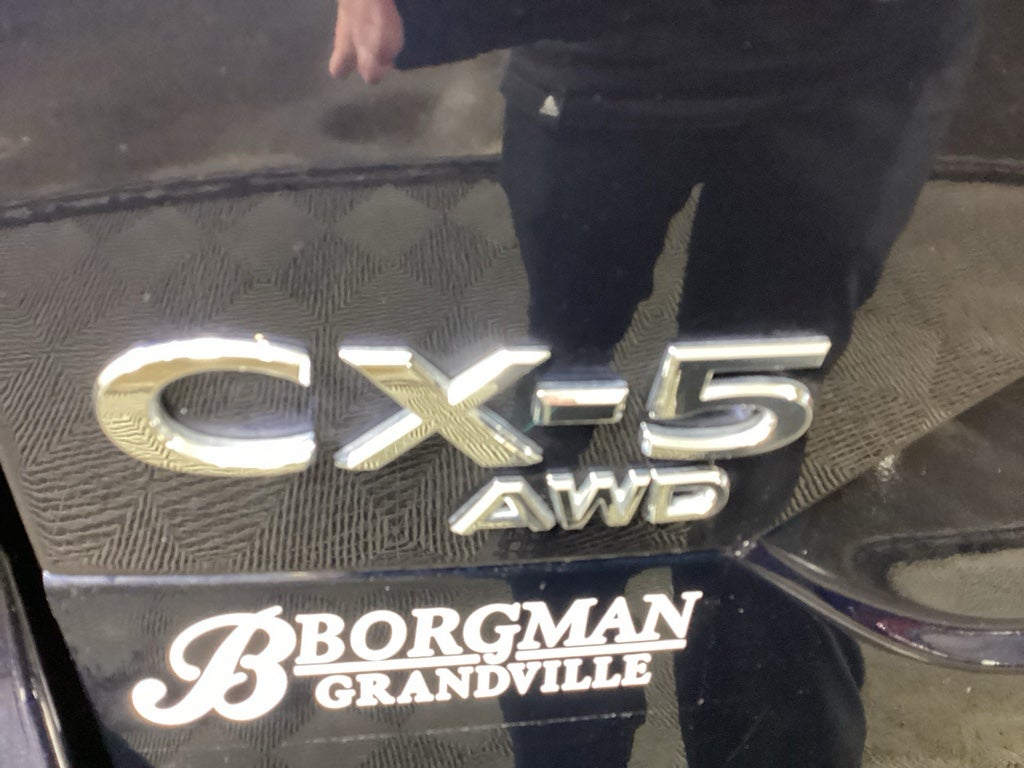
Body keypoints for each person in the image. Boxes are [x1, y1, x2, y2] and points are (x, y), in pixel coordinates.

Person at [328, 1, 979, 764]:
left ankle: (754, 734)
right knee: (557, 420)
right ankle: (569, 734)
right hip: (602, 51)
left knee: (753, 424)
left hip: (856, 58)